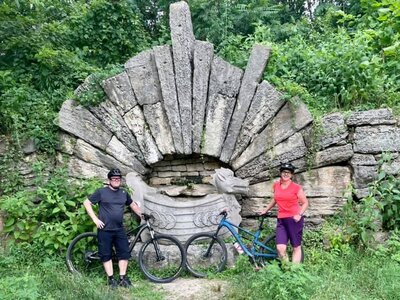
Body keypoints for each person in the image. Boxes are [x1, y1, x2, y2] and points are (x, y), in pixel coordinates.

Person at [83, 168, 141, 288]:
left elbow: (133, 205)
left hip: (119, 229)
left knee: (124, 253)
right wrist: (95, 219)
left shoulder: (124, 193)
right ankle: (110, 280)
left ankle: (122, 278)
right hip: (105, 229)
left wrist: (142, 214)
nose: (116, 180)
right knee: (106, 254)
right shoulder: (101, 192)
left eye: (118, 179)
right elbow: (86, 203)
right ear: (109, 180)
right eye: (114, 179)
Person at [260, 163, 308, 263]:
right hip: (281, 220)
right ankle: (287, 269)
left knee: (296, 247)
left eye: (288, 172)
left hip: (294, 219)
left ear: (292, 175)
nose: (286, 174)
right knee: (280, 249)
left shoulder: (296, 187)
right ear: (281, 173)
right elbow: (275, 199)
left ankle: (294, 272)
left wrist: (299, 214)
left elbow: (305, 203)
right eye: (284, 172)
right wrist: (266, 209)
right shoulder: (276, 185)